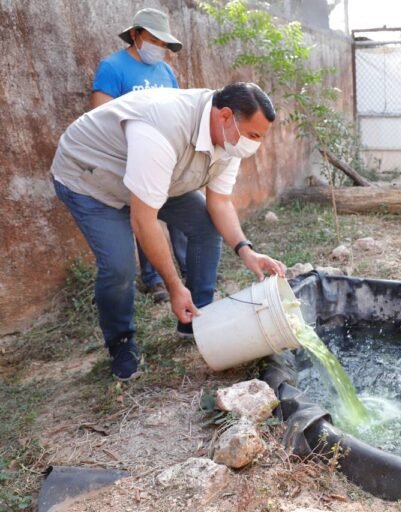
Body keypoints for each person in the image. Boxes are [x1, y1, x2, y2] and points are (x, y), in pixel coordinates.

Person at [51, 82, 287, 381]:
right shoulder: (161, 126)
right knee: (119, 266)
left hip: (157, 177)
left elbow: (220, 203)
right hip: (92, 180)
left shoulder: (229, 140)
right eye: (253, 135)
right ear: (226, 116)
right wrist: (175, 286)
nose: (255, 144)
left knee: (205, 226)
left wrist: (246, 249)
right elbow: (143, 220)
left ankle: (196, 319)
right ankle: (121, 342)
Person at [91, 7, 188, 304]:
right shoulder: (112, 67)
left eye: (164, 43)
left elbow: (179, 110)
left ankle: (187, 270)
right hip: (131, 155)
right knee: (146, 217)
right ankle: (154, 279)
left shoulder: (166, 71)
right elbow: (100, 114)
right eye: (154, 40)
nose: (159, 48)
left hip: (168, 154)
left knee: (182, 212)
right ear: (135, 35)